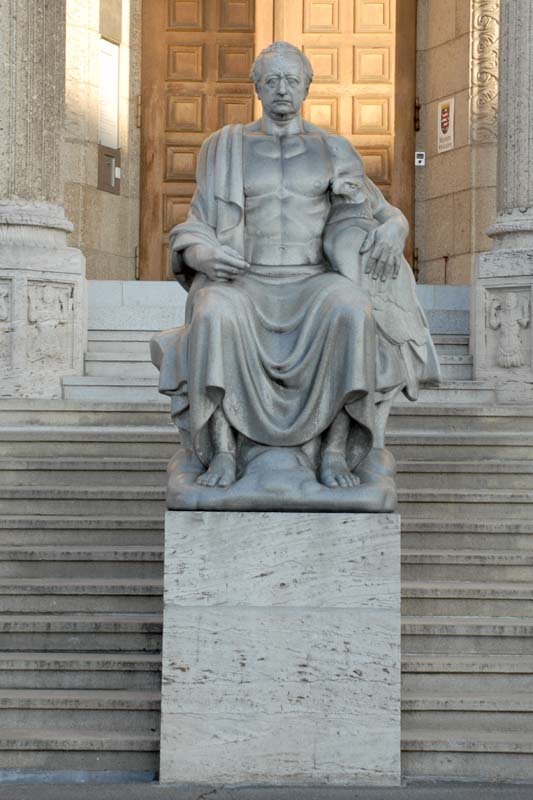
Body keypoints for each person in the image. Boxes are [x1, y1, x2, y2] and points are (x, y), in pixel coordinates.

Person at [152, 41, 440, 499]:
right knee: (210, 310)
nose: (282, 89)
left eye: (291, 80)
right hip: (245, 279)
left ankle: (334, 449)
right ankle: (223, 450)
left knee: (352, 309)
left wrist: (397, 228)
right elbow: (196, 225)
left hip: (313, 280)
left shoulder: (332, 148)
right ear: (257, 87)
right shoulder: (224, 147)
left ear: (307, 85)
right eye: (272, 80)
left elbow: (380, 211)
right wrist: (201, 254)